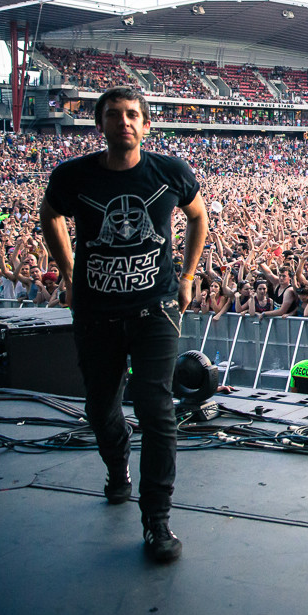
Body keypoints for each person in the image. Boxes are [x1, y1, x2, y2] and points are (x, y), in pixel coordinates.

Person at [39, 86, 208, 564]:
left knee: (157, 410)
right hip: (96, 313)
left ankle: (157, 519)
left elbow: (198, 217)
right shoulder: (73, 176)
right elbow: (50, 215)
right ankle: (118, 468)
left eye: (133, 114)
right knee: (100, 410)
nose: (124, 121)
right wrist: (68, 271)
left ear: (146, 125)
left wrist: (188, 277)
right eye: (114, 114)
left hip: (155, 311)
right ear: (100, 124)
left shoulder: (169, 172)